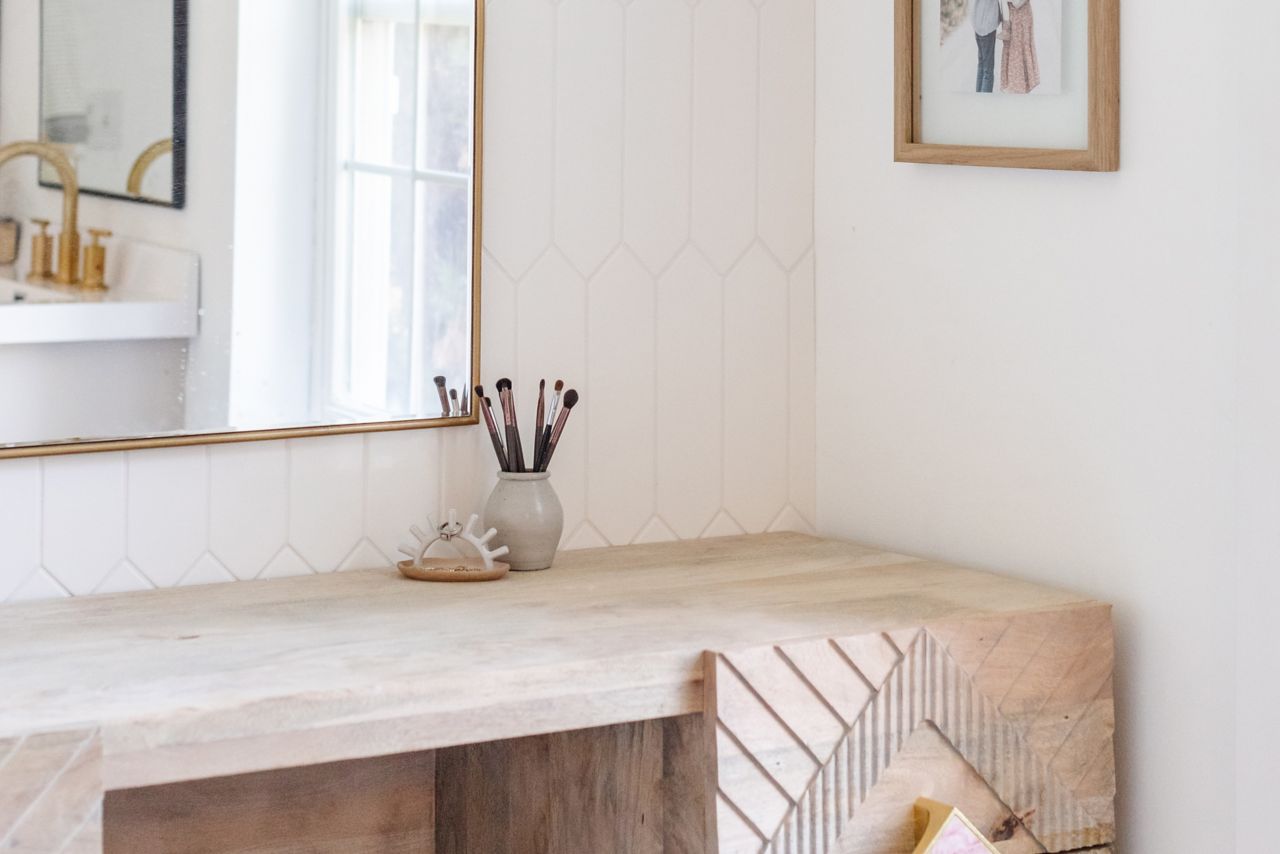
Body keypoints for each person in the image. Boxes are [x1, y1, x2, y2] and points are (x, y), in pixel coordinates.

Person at [1001, 0, 1041, 94]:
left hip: (1022, 17)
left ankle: (1020, 85)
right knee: (1012, 49)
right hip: (1011, 19)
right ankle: (1012, 83)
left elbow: (1017, 3)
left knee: (1020, 49)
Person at [970, 0, 1003, 93]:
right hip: (987, 25)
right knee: (987, 70)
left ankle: (978, 99)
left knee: (981, 65)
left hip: (977, 23)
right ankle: (984, 103)